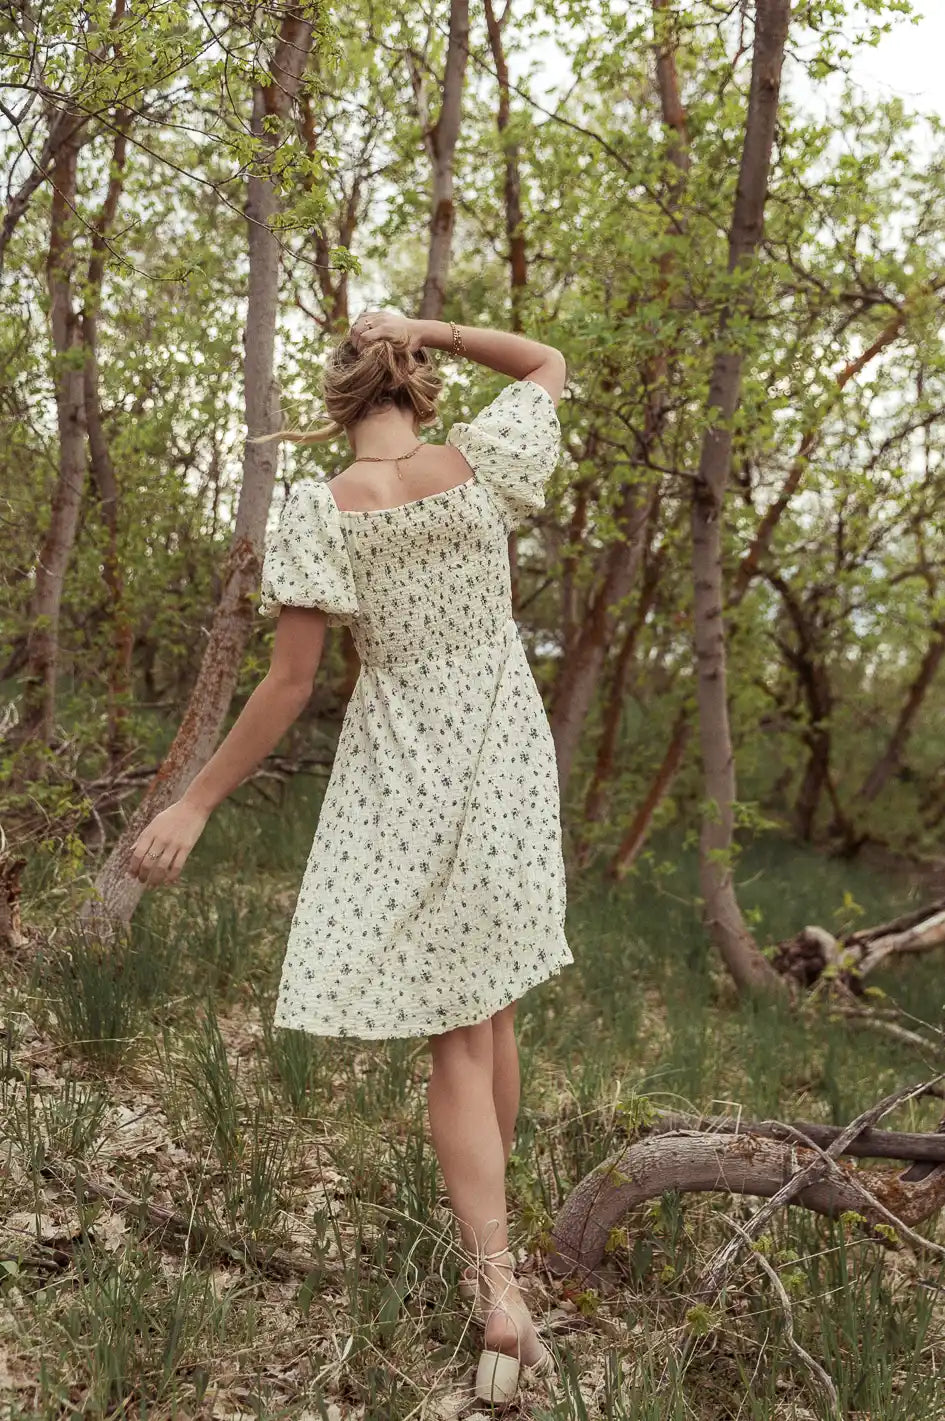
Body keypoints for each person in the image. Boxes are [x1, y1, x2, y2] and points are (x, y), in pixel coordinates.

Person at [127, 310, 574, 1407]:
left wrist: (197, 800)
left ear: (335, 407)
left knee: (464, 1023)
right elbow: (546, 362)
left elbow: (289, 684)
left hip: (404, 761)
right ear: (417, 386)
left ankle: (495, 1284)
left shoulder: (321, 508)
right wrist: (434, 327)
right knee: (489, 1004)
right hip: (503, 748)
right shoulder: (478, 463)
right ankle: (496, 1265)